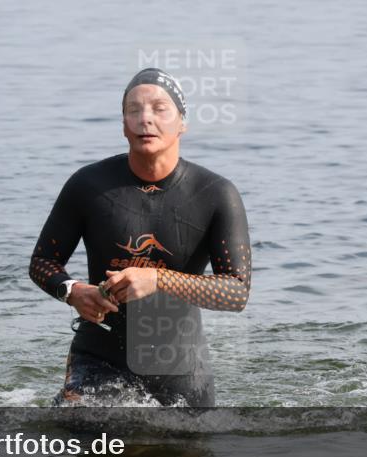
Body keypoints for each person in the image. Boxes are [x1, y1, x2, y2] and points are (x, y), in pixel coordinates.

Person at [29, 68, 252, 406]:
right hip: (97, 357)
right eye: (134, 110)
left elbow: (236, 292)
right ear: (123, 125)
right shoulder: (88, 186)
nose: (145, 118)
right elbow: (43, 262)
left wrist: (158, 280)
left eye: (159, 108)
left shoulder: (216, 193)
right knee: (79, 432)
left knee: (180, 455)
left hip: (181, 366)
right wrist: (73, 291)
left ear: (182, 122)